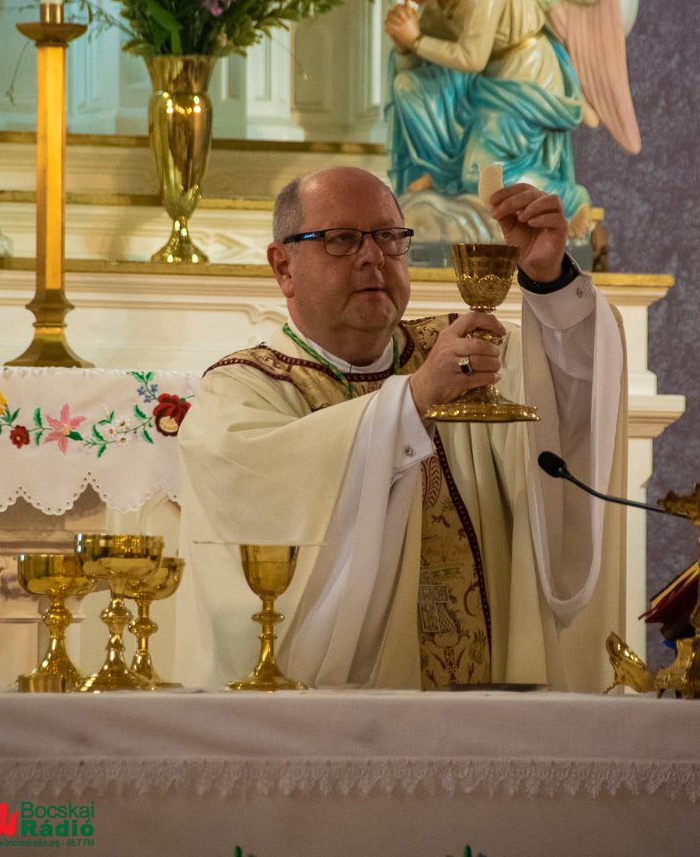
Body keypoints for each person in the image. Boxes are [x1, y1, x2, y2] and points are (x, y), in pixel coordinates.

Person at [176, 166, 626, 692]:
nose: (373, 256)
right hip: (337, 725)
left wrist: (550, 281)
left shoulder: (467, 356)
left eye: (389, 236)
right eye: (342, 239)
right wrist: (414, 399)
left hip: (485, 711)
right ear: (283, 267)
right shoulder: (242, 391)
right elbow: (267, 517)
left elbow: (573, 402)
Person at [381, 0, 594, 238]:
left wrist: (415, 40)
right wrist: (403, 47)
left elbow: (472, 58)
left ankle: (567, 199)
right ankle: (445, 180)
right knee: (409, 87)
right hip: (486, 83)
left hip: (526, 78)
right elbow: (423, 63)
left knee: (482, 176)